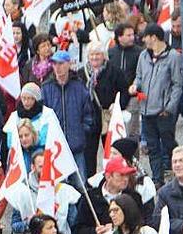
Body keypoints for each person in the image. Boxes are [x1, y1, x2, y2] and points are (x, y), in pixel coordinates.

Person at [129, 23, 183, 188]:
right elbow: (139, 76)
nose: (143, 40)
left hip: (163, 111)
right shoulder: (143, 56)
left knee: (168, 143)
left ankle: (180, 168)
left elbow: (177, 84)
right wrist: (135, 86)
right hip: (146, 109)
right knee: (152, 147)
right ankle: (157, 179)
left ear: (153, 37)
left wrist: (169, 107)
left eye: (146, 36)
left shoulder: (173, 56)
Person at [41, 50, 97, 181]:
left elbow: (88, 115)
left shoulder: (79, 87)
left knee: (80, 185)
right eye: (54, 64)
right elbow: (42, 116)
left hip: (76, 147)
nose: (57, 67)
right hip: (54, 148)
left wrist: (82, 133)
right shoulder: (46, 88)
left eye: (61, 63)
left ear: (68, 64)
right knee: (57, 186)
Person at [79, 41, 130, 177]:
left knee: (111, 151)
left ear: (104, 56)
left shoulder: (114, 71)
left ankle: (112, 177)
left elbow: (124, 91)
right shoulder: (81, 74)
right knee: (88, 155)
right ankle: (91, 183)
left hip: (108, 118)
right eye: (92, 54)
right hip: (89, 119)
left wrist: (118, 105)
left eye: (98, 54)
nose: (95, 57)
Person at [108, 22, 143, 137]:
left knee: (130, 132)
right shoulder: (111, 52)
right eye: (128, 35)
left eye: (133, 34)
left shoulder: (139, 52)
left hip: (132, 96)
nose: (132, 37)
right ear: (119, 37)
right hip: (115, 97)